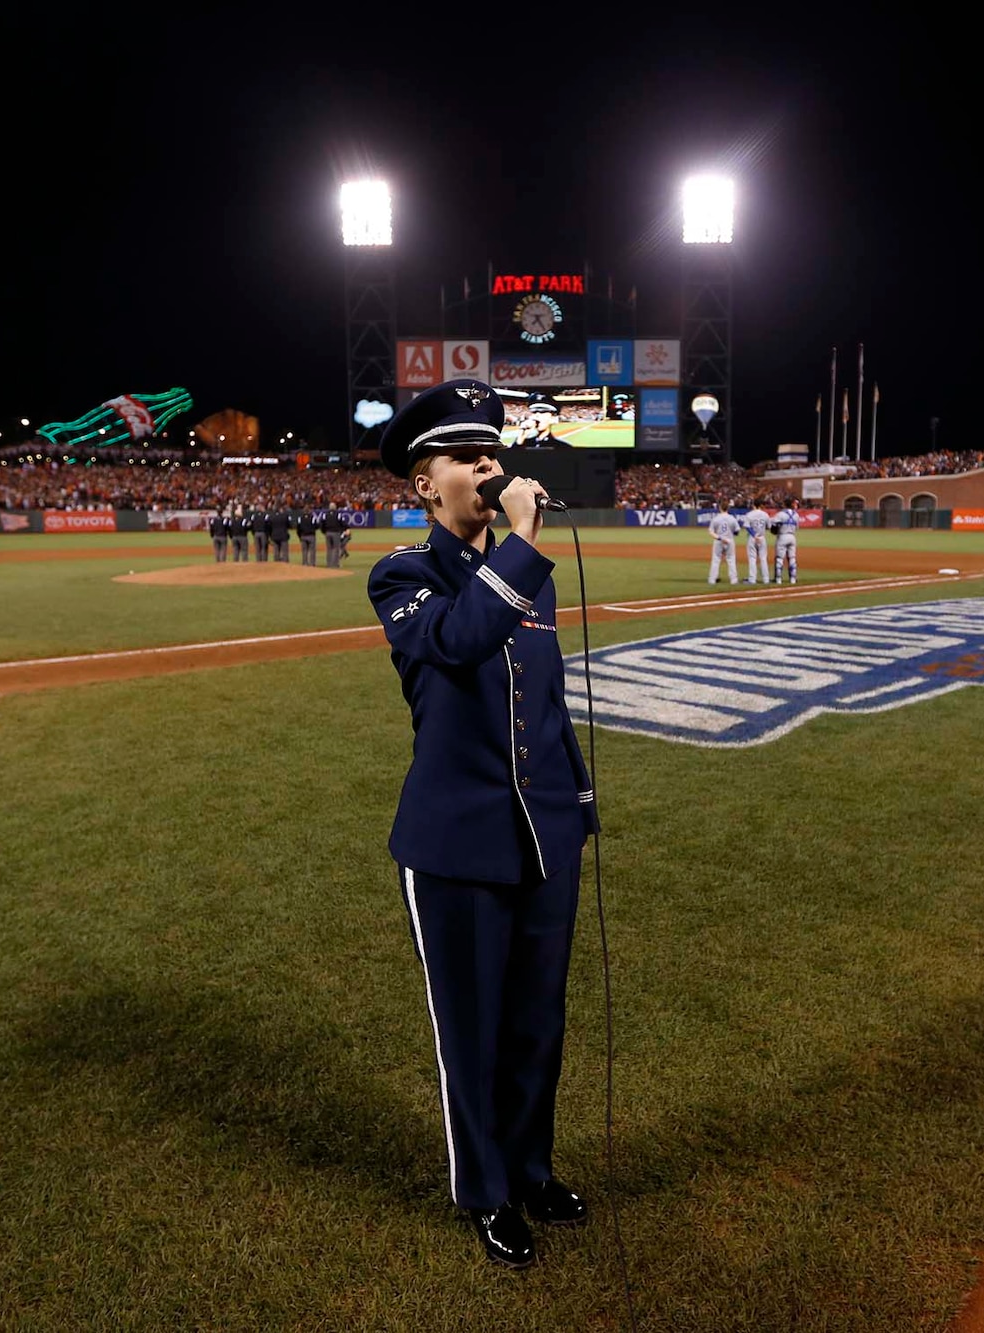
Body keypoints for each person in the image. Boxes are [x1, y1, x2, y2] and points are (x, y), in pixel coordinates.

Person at [365, 377, 598, 1270]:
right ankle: (488, 1190)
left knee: (538, 1019)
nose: (491, 468)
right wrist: (524, 543)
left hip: (545, 837)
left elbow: (544, 700)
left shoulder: (521, 575)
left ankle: (532, 1168)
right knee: (474, 1028)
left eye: (493, 454)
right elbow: (461, 643)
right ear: (425, 483)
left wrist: (577, 803)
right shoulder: (403, 575)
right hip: (455, 844)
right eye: (469, 458)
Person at [707, 507, 742, 583]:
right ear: (728, 508)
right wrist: (730, 533)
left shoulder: (716, 518)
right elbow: (737, 531)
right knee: (731, 560)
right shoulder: (732, 518)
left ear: (720, 508)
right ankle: (734, 580)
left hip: (718, 541)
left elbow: (711, 532)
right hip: (729, 540)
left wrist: (719, 537)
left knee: (716, 560)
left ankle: (712, 579)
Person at [742, 502, 771, 584]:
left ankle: (752, 579)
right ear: (761, 506)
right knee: (763, 559)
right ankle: (766, 579)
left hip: (752, 538)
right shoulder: (765, 514)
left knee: (752, 558)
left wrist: (754, 535)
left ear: (753, 505)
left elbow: (747, 526)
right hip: (762, 538)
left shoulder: (749, 514)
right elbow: (769, 527)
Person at [772, 503, 800, 584]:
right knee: (792, 558)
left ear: (784, 505)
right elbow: (797, 527)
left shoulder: (781, 514)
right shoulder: (796, 515)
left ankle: (778, 579)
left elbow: (773, 525)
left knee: (779, 558)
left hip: (782, 536)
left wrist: (775, 530)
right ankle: (793, 579)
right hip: (792, 537)